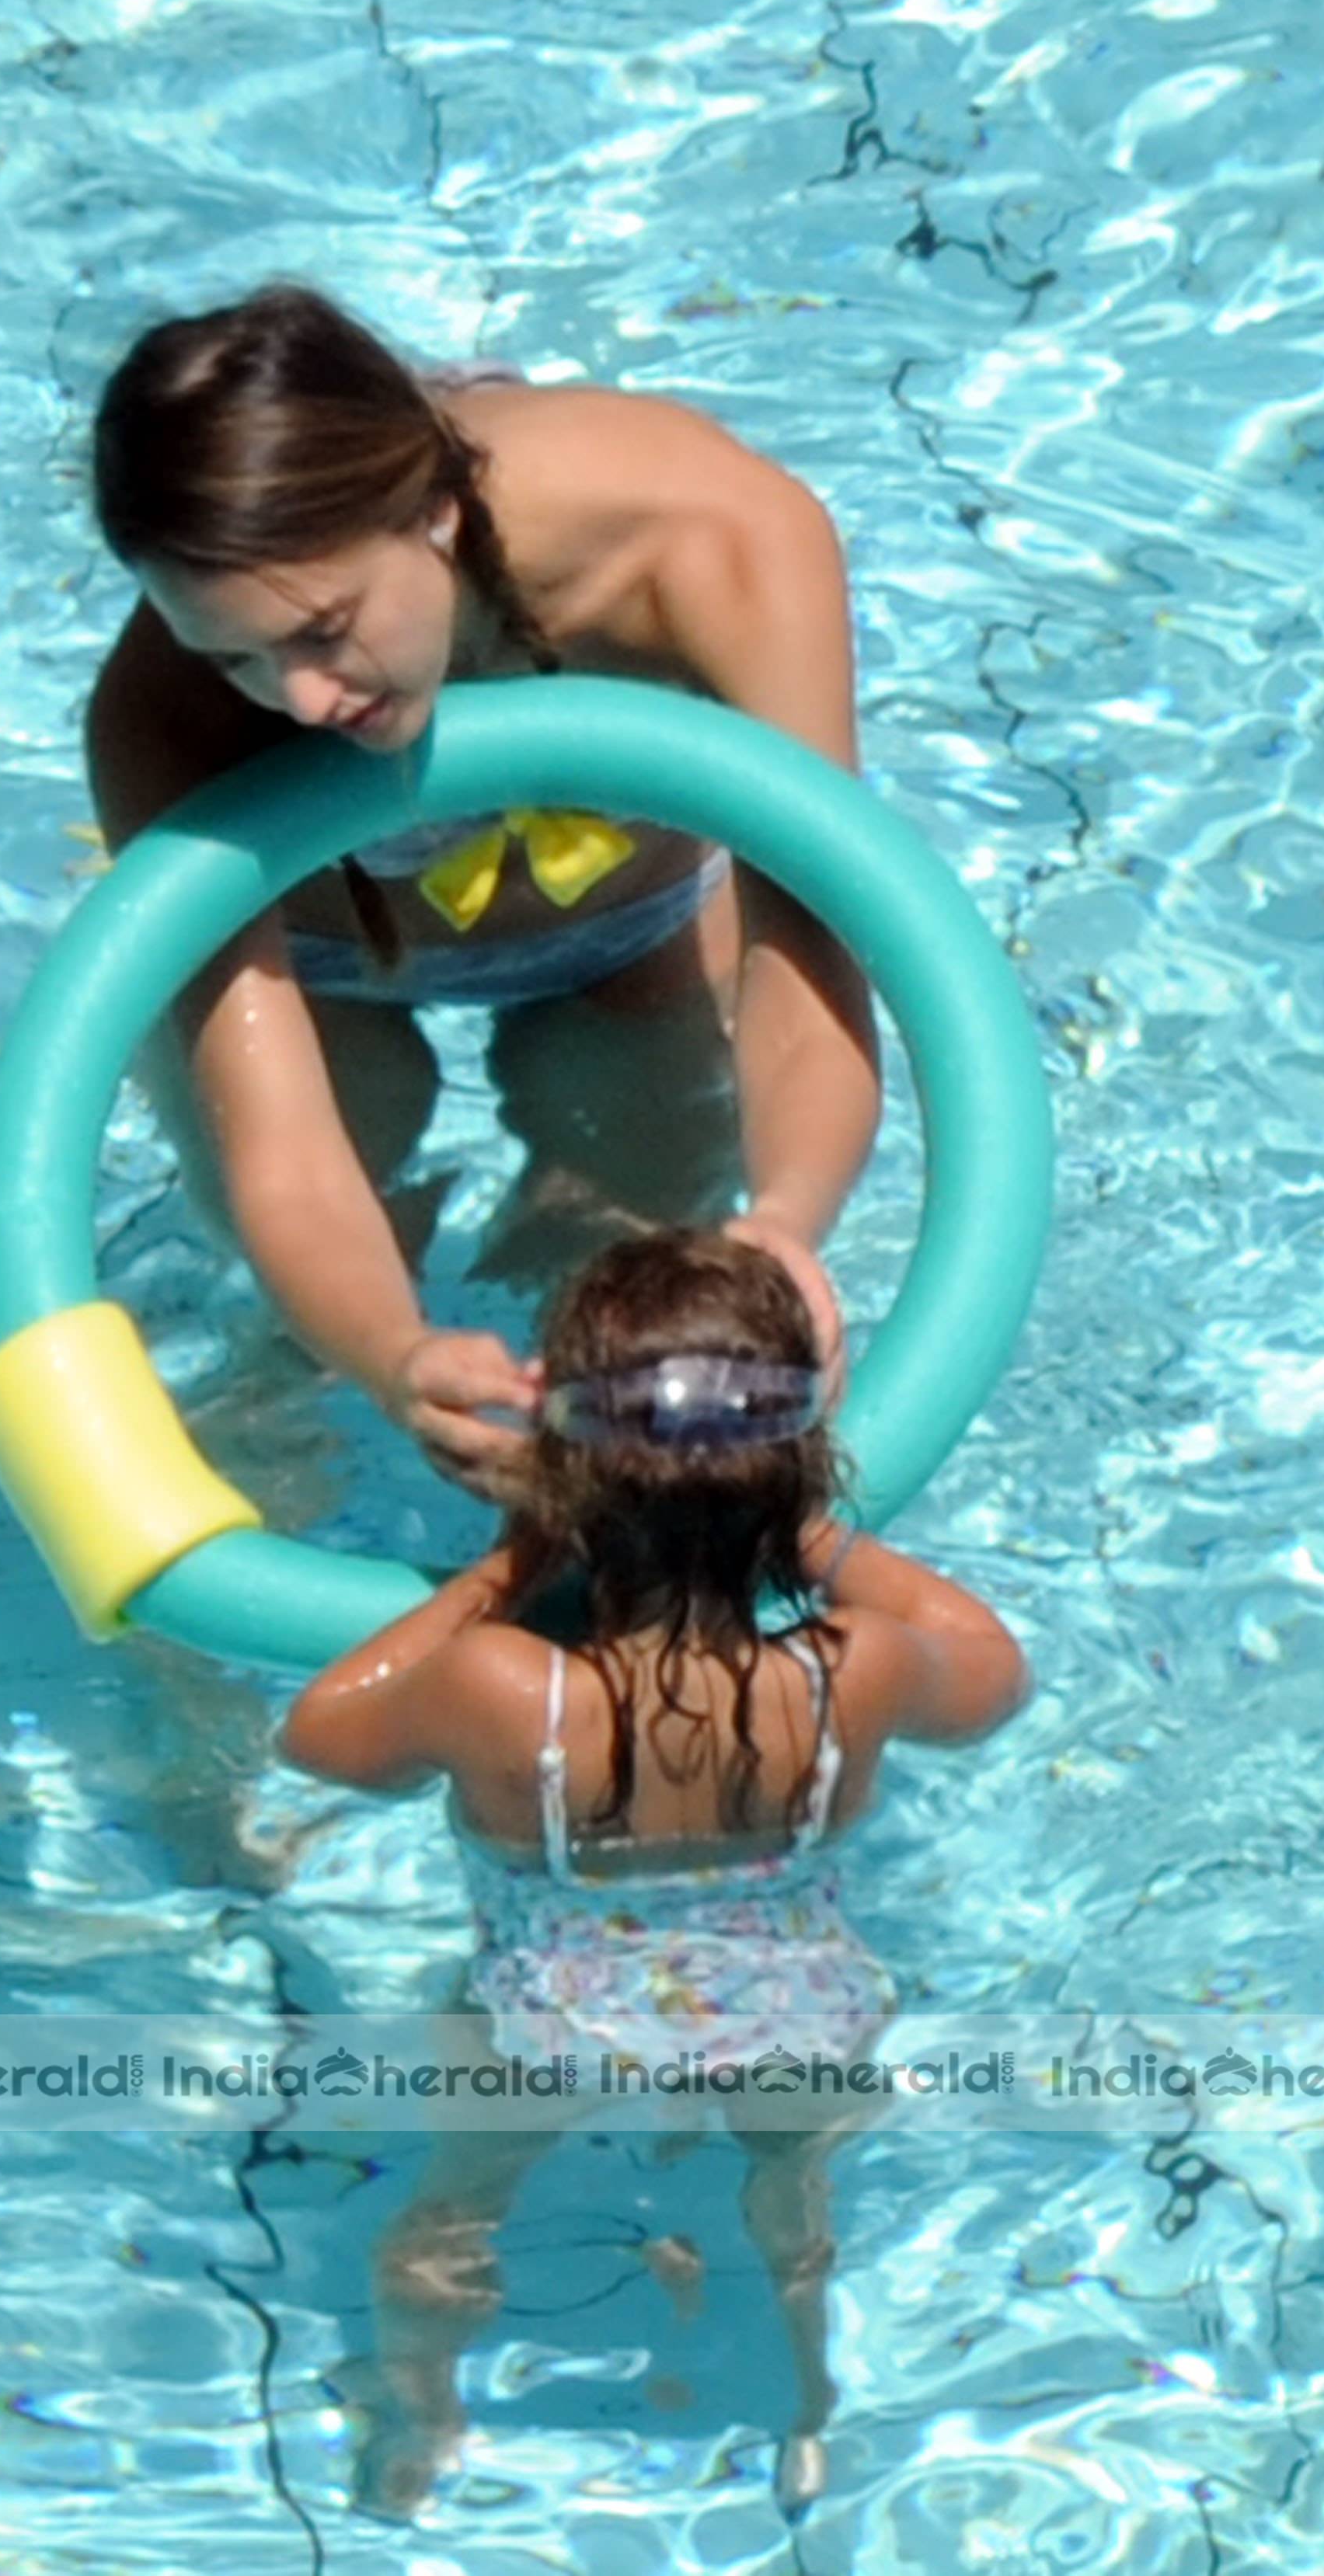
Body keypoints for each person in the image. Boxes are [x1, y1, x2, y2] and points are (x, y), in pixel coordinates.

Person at [279, 1230, 1030, 2520]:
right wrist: (801, 1528)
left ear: (574, 1471)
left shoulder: (508, 1690)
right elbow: (992, 1668)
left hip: (543, 2025)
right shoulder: (852, 1673)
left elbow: (323, 1731)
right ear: (794, 1462)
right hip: (799, 2012)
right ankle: (805, 2414)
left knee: (446, 2218)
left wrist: (522, 1553)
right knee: (791, 2217)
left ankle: (423, 2420)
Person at [86, 280, 882, 1487]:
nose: (299, 699)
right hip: (330, 962)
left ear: (439, 513)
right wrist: (394, 1356)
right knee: (299, 1354)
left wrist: (786, 1220)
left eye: (324, 627)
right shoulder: (159, 710)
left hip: (633, 933)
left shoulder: (719, 543)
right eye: (233, 654)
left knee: (631, 1282)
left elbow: (815, 949)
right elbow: (285, 1154)